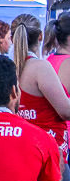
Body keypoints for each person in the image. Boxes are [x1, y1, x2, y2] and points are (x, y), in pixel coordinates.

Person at [11, 14, 70, 160]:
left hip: (23, 147)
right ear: (40, 36)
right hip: (48, 150)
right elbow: (66, 112)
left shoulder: (11, 67)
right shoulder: (39, 67)